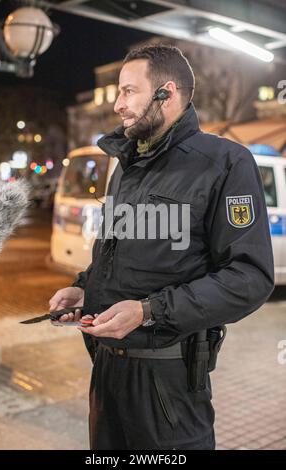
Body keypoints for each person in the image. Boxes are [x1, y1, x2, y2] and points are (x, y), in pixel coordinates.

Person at [49, 45, 274, 450]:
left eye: (128, 91)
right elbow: (116, 255)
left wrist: (149, 311)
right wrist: (85, 288)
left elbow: (250, 278)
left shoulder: (224, 162)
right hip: (106, 377)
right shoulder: (126, 166)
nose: (117, 105)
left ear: (166, 94)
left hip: (167, 386)